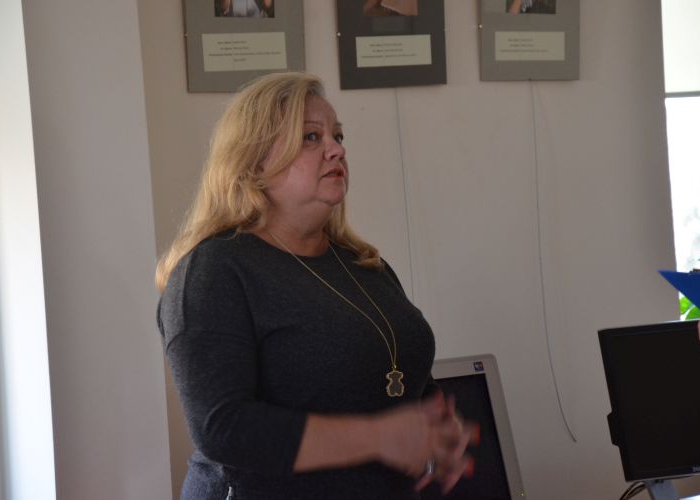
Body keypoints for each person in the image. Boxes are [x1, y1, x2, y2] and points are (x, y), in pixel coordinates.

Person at [156, 72, 473, 500]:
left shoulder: (365, 266)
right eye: (310, 137)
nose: (336, 149)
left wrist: (436, 431)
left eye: (338, 136)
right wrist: (379, 437)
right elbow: (223, 428)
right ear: (254, 162)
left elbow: (397, 379)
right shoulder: (212, 272)